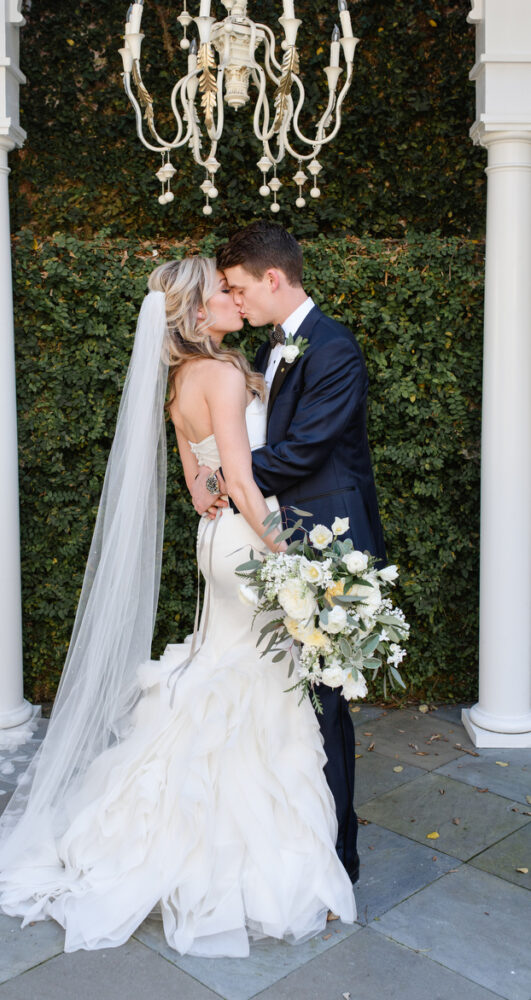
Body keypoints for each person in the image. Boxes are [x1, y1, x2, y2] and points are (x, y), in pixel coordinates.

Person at [0, 256, 355, 960]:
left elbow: (197, 485)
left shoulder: (178, 383)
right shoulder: (222, 374)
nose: (232, 298)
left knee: (227, 674)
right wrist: (291, 560)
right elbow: (238, 478)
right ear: (197, 313)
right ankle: (247, 855)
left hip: (216, 541)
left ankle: (169, 827)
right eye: (221, 291)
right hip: (250, 541)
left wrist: (229, 506)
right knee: (255, 684)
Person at [190, 222, 386, 885]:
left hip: (328, 544)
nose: (235, 301)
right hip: (273, 537)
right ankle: (283, 842)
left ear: (272, 279)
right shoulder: (268, 351)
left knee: (324, 701)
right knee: (278, 698)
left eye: (239, 288)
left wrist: (225, 479)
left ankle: (338, 858)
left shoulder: (333, 350)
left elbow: (303, 450)